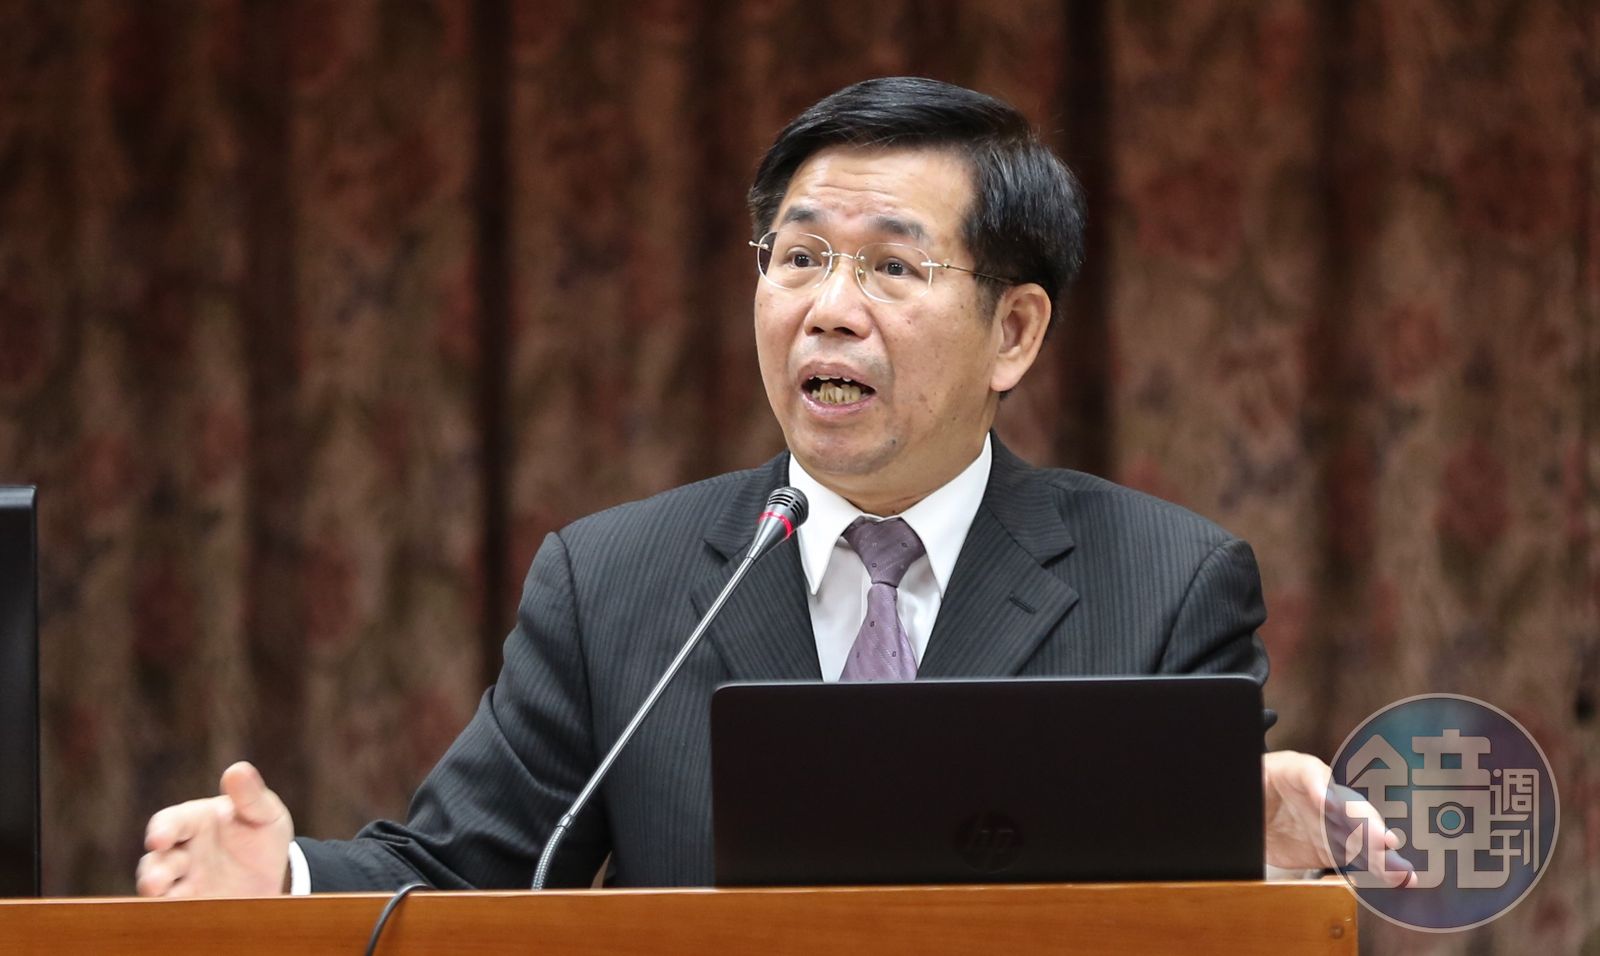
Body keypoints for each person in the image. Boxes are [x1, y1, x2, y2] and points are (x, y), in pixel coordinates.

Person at [137, 77, 1410, 896]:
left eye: (891, 268)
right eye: (796, 256)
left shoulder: (1165, 581)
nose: (827, 308)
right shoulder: (614, 578)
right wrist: (287, 875)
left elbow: (1189, 900)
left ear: (1014, 332)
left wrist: (1241, 850)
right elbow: (467, 868)